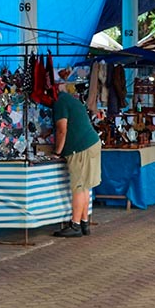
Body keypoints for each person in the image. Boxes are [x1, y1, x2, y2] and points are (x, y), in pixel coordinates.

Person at [41, 91, 102, 237]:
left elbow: (62, 130)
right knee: (85, 186)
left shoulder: (60, 103)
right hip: (91, 144)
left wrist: (57, 152)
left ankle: (75, 225)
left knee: (79, 187)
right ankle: (84, 223)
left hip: (80, 149)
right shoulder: (69, 99)